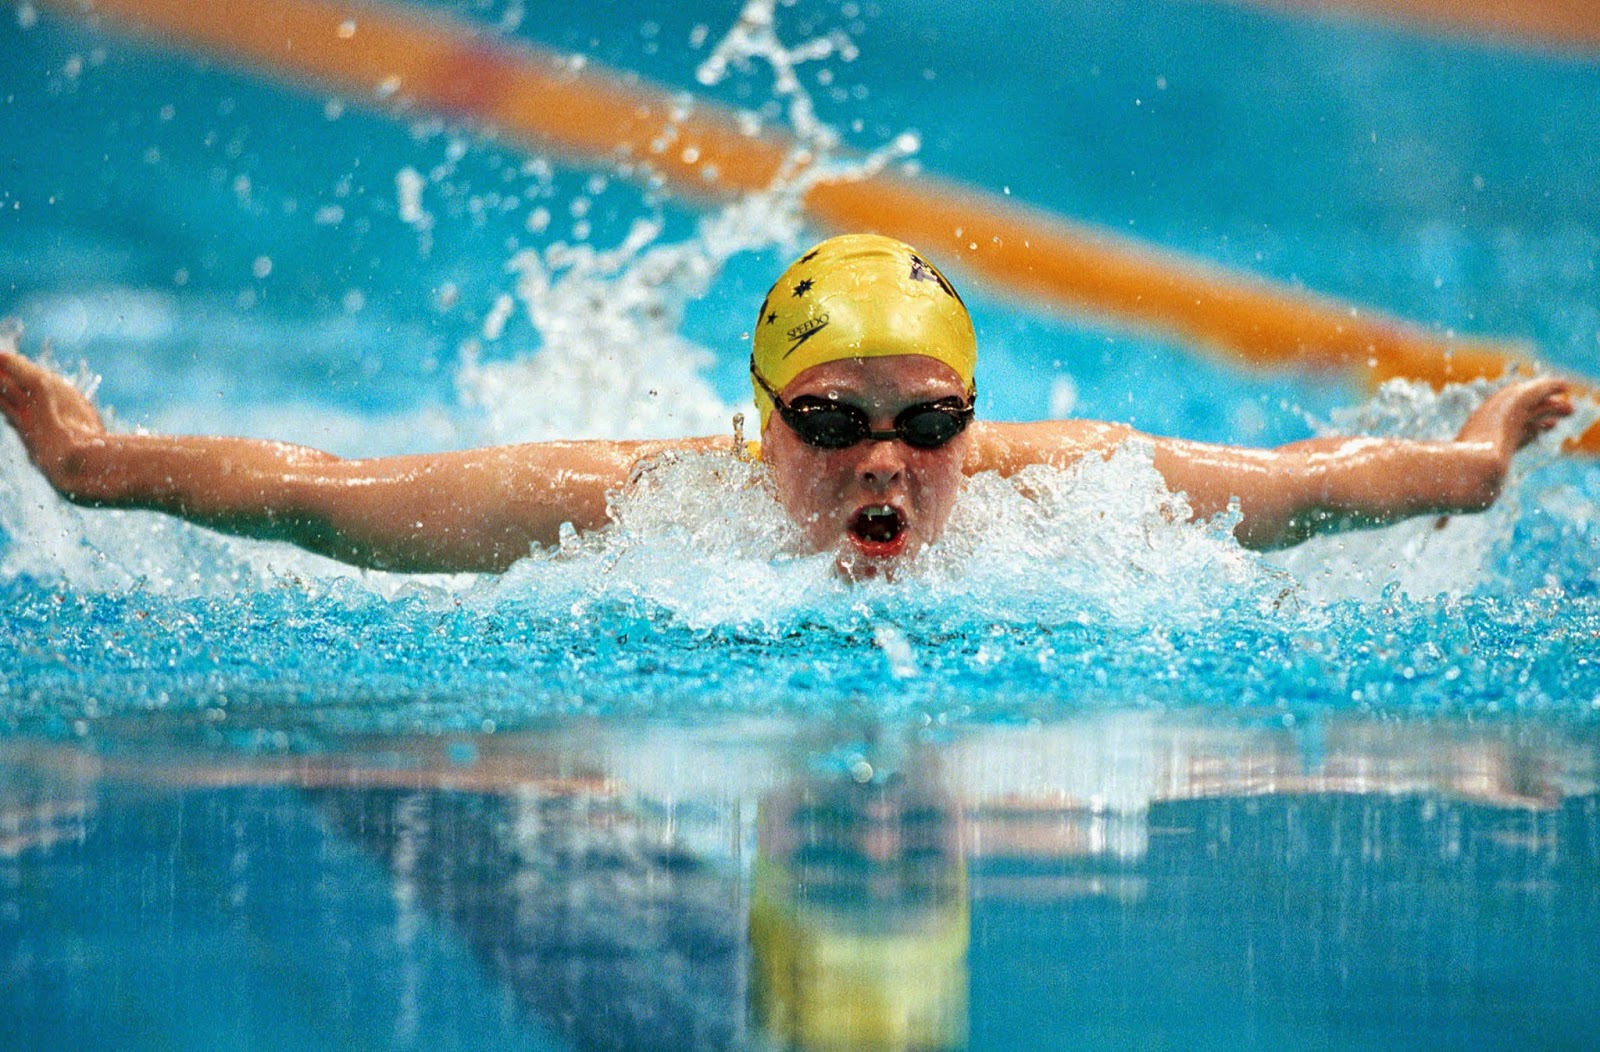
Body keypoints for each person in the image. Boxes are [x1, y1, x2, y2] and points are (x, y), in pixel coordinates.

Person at [0, 234, 1574, 577]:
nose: (885, 458)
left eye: (928, 421)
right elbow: (320, 491)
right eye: (831, 423)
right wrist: (82, 454)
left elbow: (1320, 480)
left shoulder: (1076, 494)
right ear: (758, 418)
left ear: (978, 416)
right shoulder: (628, 507)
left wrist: (1482, 454)